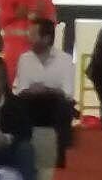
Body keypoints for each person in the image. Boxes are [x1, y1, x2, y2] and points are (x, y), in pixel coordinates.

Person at [13, 18, 76, 167]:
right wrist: (33, 90)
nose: (28, 38)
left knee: (64, 106)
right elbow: (21, 89)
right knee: (18, 105)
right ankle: (21, 153)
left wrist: (47, 89)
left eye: (33, 35)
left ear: (46, 38)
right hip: (31, 102)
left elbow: (68, 92)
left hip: (55, 103)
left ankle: (60, 156)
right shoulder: (24, 58)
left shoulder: (65, 59)